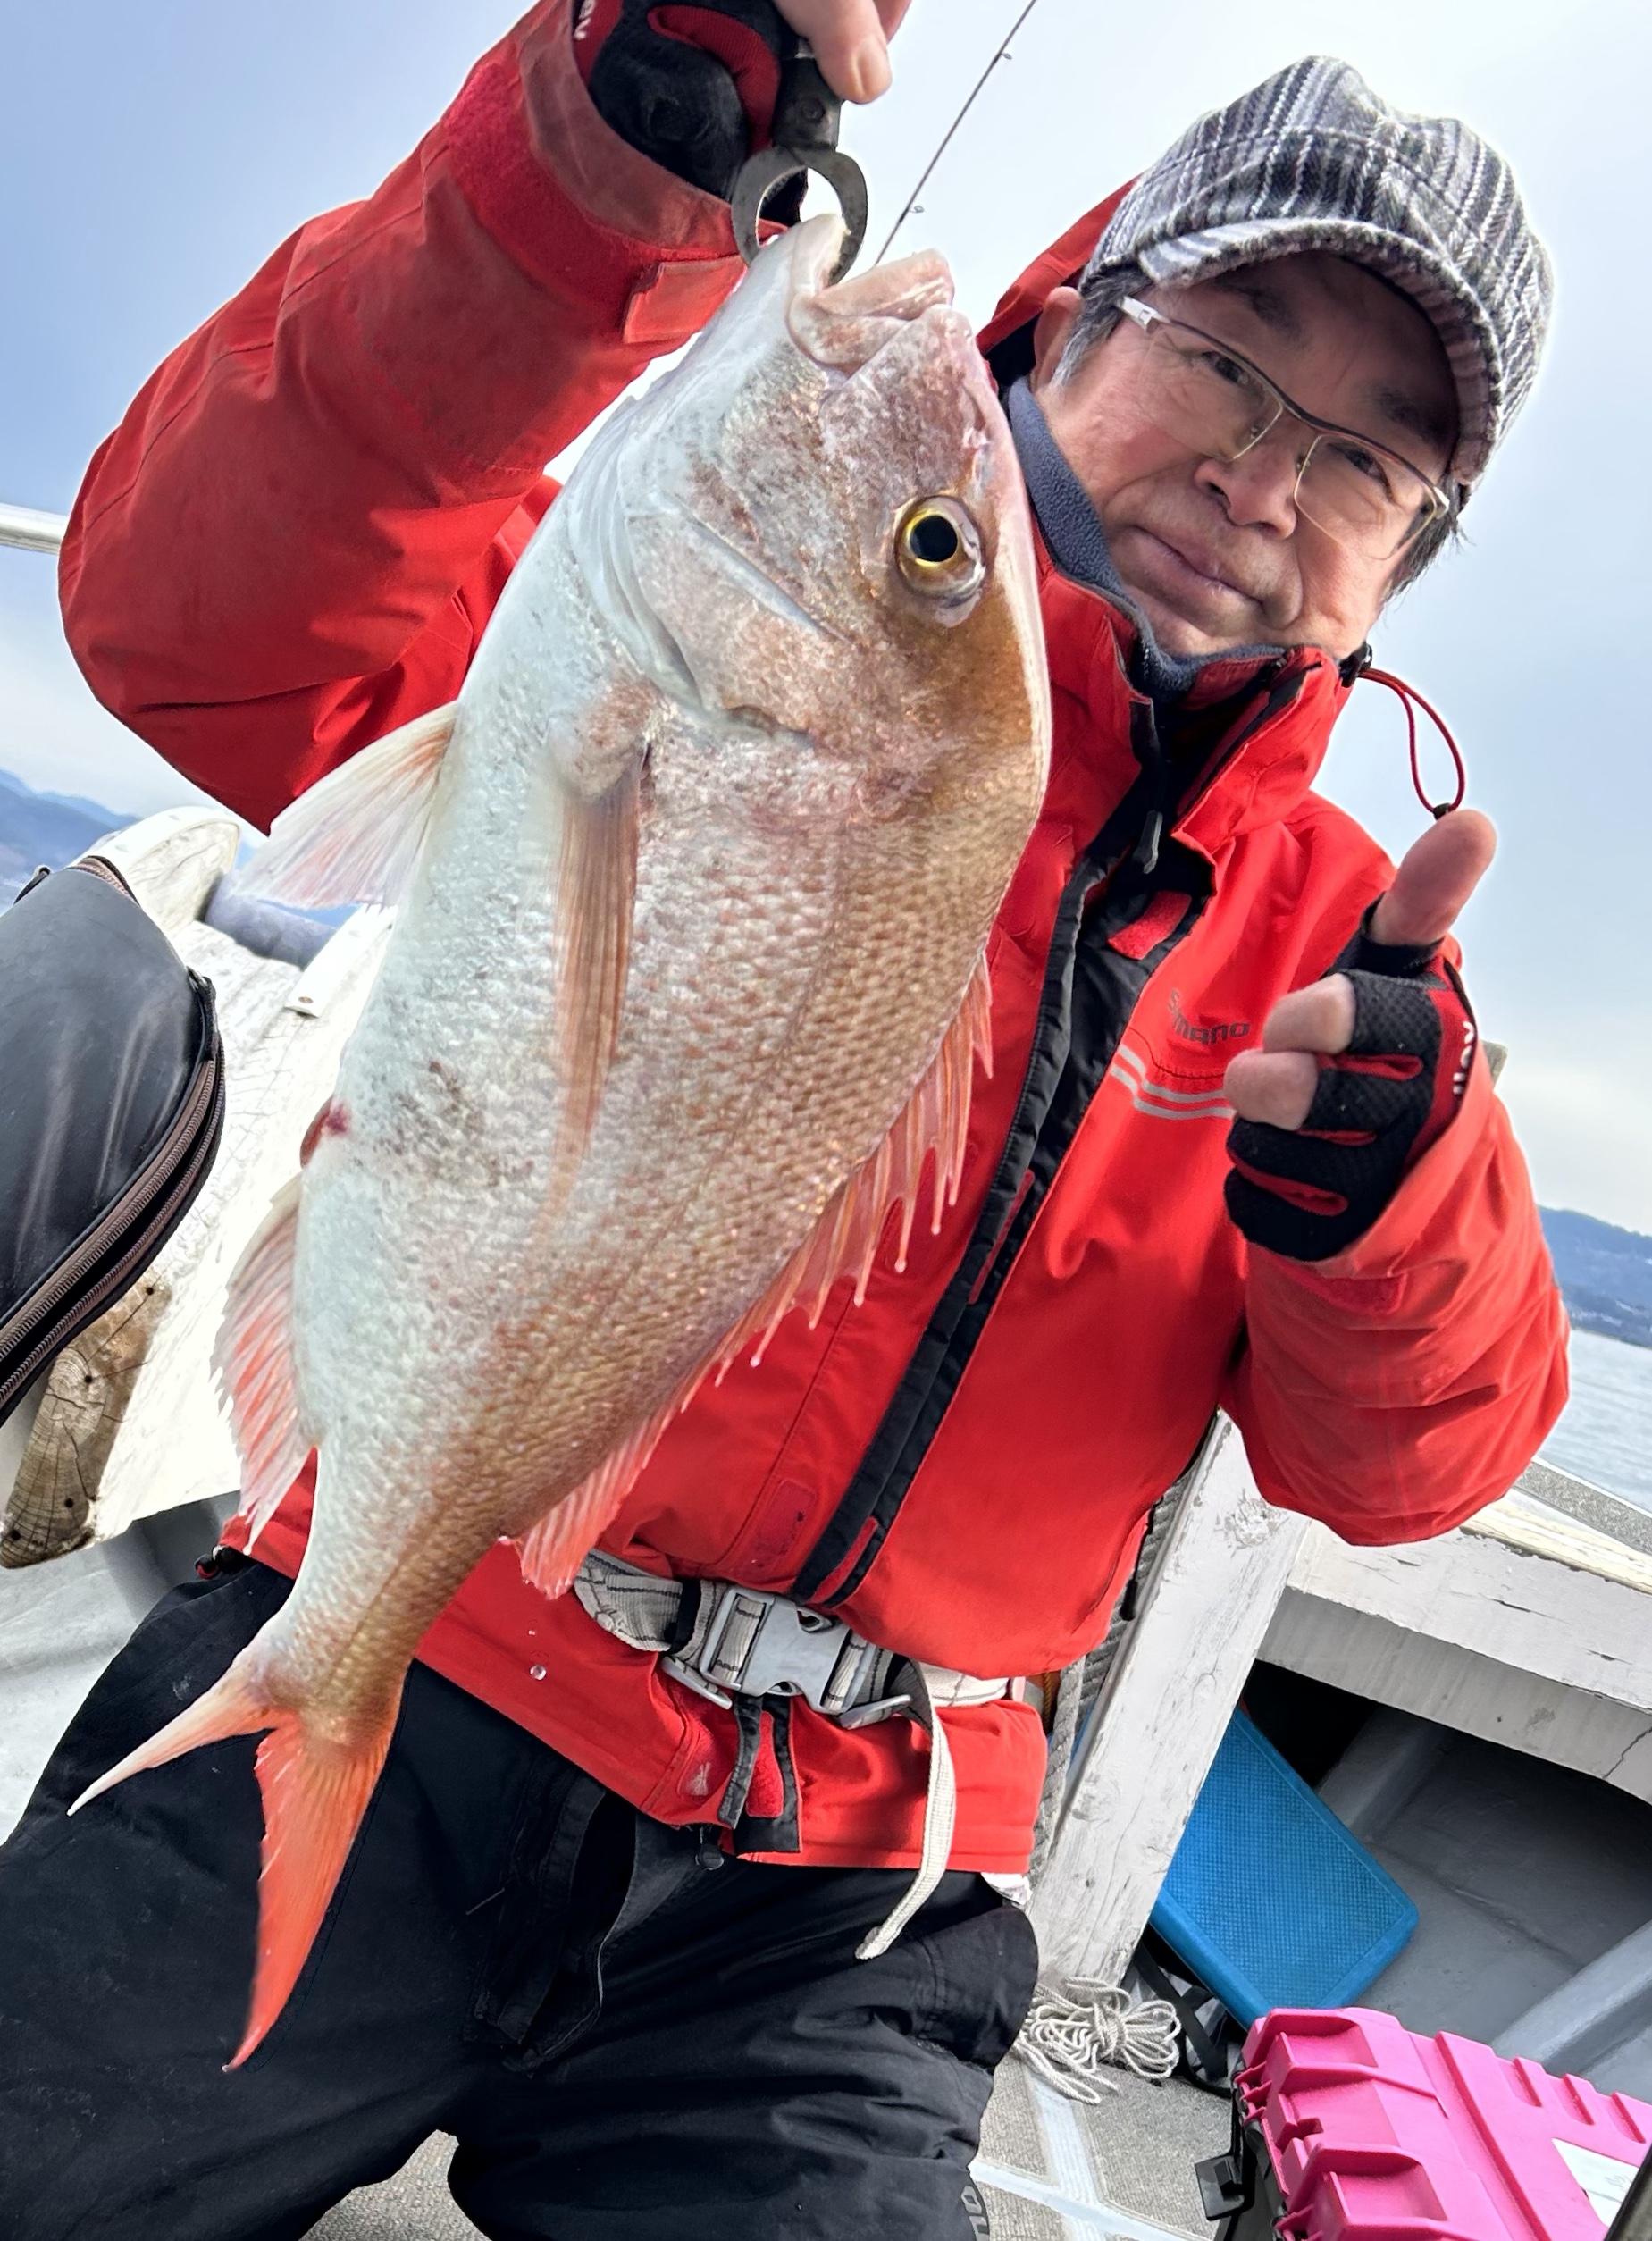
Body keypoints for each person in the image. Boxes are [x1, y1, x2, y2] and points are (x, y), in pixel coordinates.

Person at [2, 4, 1567, 2235]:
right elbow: (198, 618)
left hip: (846, 1894)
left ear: (1407, 550)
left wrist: (1388, 1206)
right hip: (427, 1634)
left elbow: (1406, 1468)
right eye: (1229, 362)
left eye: (1367, 459)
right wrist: (588, 174)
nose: (1264, 478)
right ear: (1072, 316)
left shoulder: (1350, 966)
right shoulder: (661, 607)